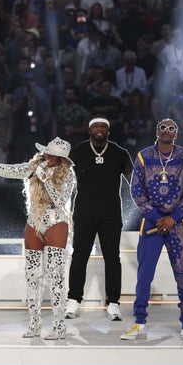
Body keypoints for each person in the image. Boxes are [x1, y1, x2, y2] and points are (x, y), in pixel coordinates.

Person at [0, 137, 77, 340]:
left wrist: (46, 180)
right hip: (34, 221)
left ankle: (59, 326)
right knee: (32, 275)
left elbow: (61, 201)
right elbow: (10, 170)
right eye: (48, 153)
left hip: (56, 222)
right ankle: (34, 324)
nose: (49, 157)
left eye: (54, 155)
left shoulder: (69, 174)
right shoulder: (34, 166)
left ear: (62, 159)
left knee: (55, 276)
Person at [121, 118, 183, 341]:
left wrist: (174, 217)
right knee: (145, 274)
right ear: (157, 131)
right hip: (151, 223)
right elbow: (136, 191)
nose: (167, 131)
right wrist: (156, 217)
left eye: (171, 128)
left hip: (177, 224)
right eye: (163, 127)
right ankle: (139, 322)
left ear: (176, 134)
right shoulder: (144, 156)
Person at [65, 117, 133, 321]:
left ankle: (113, 303)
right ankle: (73, 300)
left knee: (112, 258)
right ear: (89, 130)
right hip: (84, 212)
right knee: (79, 256)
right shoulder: (78, 152)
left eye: (103, 126)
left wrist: (151, 199)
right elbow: (65, 180)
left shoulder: (119, 153)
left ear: (109, 131)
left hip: (110, 214)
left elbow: (134, 182)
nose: (100, 129)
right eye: (96, 126)